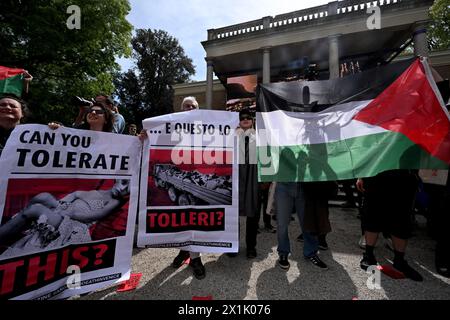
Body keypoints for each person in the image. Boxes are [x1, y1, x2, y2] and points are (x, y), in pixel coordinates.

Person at [0, 180, 130, 257]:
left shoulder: (115, 201)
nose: (122, 189)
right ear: (118, 178)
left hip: (74, 225)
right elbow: (74, 194)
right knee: (43, 196)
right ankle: (21, 222)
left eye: (127, 190)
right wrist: (61, 205)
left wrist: (67, 214)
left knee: (37, 209)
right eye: (123, 183)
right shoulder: (99, 190)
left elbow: (97, 215)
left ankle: (10, 228)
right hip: (64, 211)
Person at [356, 170, 423, 281]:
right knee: (372, 215)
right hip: (376, 174)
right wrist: (361, 175)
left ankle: (399, 260)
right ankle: (369, 255)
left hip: (405, 175)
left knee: (402, 218)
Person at [171, 96, 205, 280]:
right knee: (182, 216)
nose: (189, 108)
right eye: (186, 106)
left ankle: (196, 257)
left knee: (195, 217)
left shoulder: (204, 127)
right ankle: (185, 250)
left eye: (193, 106)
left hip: (196, 178)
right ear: (180, 108)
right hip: (178, 177)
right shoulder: (171, 124)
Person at [276, 182, 328, 270]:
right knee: (282, 223)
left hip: (304, 185)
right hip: (283, 184)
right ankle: (283, 253)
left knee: (307, 222)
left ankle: (311, 252)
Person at [235, 109, 260, 258]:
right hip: (237, 179)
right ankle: (233, 245)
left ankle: (251, 246)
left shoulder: (260, 137)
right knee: (233, 214)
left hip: (253, 180)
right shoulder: (231, 137)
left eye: (248, 117)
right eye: (242, 117)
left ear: (252, 120)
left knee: (253, 215)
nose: (245, 119)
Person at [50, 102, 114, 133]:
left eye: (98, 111)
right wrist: (56, 129)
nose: (93, 112)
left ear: (106, 120)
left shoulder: (113, 141)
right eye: (90, 110)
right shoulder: (74, 133)